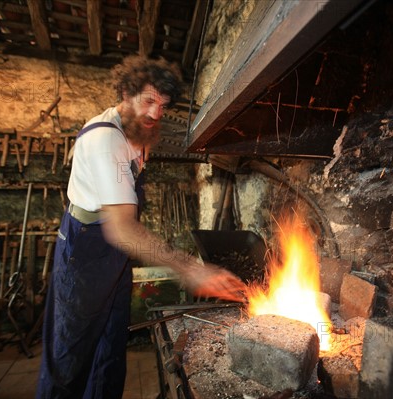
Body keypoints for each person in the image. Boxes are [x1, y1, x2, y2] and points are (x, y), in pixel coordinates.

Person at [35, 55, 246, 398]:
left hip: (114, 257)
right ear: (124, 92)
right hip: (85, 253)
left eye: (162, 105)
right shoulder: (106, 139)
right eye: (148, 101)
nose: (156, 113)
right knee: (69, 357)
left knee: (110, 348)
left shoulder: (138, 132)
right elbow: (121, 228)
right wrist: (190, 268)